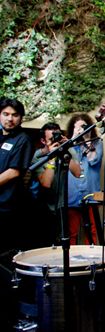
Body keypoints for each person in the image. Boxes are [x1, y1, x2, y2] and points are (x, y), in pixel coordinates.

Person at [29, 123, 82, 247]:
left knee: (59, 242)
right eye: (51, 140)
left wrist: (65, 153)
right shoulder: (37, 157)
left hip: (60, 205)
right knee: (41, 243)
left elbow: (78, 173)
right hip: (41, 205)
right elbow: (46, 183)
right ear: (43, 141)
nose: (55, 142)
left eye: (57, 138)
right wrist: (52, 158)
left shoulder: (67, 151)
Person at [0, 99, 34, 253]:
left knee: (7, 252)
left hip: (9, 207)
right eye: (5, 114)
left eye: (14, 115)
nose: (9, 119)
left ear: (20, 118)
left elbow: (14, 172)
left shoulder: (23, 139)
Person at [66, 113, 102, 246]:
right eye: (78, 127)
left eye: (84, 127)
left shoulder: (97, 143)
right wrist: (74, 138)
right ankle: (71, 262)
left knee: (92, 231)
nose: (81, 130)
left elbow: (93, 160)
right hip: (72, 195)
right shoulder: (68, 145)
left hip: (91, 193)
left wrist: (87, 140)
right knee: (71, 232)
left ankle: (91, 260)